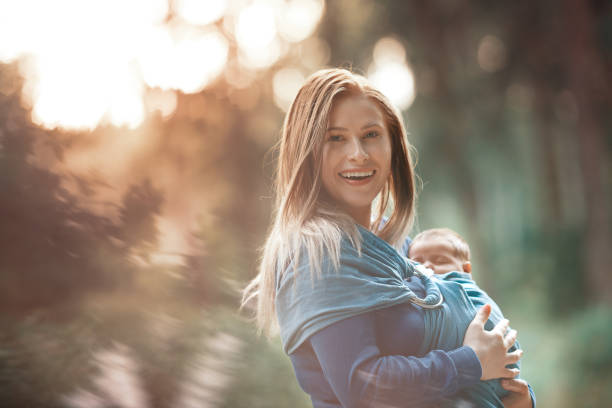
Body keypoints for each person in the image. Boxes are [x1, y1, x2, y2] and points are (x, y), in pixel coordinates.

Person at [243, 68, 535, 407]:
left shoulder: (396, 245)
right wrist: (471, 363)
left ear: (393, 144)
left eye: (371, 134)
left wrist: (518, 398)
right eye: (335, 138)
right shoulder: (318, 256)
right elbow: (363, 389)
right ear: (306, 151)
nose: (358, 154)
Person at [408, 228, 536, 405]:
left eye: (440, 260)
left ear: (466, 269)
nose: (427, 266)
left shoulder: (465, 290)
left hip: (492, 376)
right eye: (417, 261)